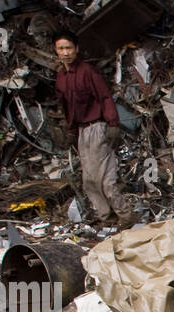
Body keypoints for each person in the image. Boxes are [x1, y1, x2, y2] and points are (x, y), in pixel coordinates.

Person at [53, 30, 133, 225]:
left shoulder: (87, 72)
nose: (65, 53)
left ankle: (126, 215)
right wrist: (71, 131)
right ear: (56, 51)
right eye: (61, 49)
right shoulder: (61, 78)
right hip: (82, 131)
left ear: (76, 49)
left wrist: (112, 124)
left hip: (97, 127)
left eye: (69, 48)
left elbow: (104, 96)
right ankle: (107, 216)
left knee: (106, 178)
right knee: (88, 180)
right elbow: (66, 107)